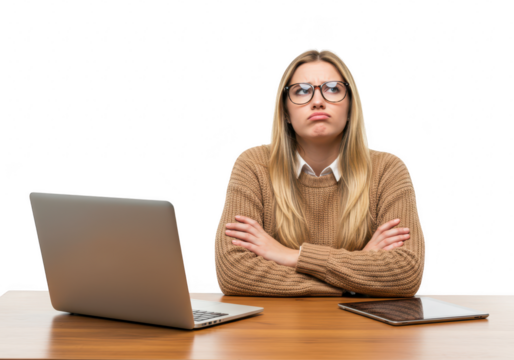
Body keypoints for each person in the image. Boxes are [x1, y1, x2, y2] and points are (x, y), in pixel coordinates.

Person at [213, 48, 426, 298]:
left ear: (350, 107)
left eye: (333, 88)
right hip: (276, 329)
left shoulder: (388, 170)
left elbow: (405, 273)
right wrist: (353, 280)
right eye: (301, 91)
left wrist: (292, 256)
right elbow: (234, 273)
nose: (317, 100)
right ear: (285, 112)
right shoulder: (253, 165)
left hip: (364, 333)